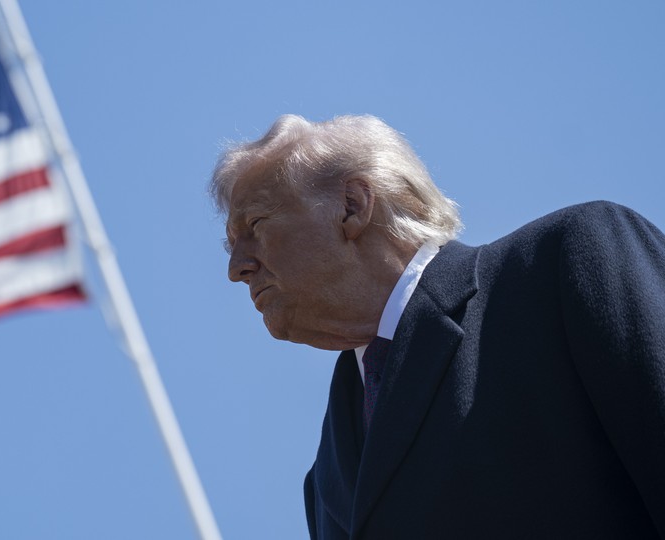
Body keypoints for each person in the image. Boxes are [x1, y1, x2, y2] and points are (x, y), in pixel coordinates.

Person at [210, 114, 665, 539]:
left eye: (255, 224)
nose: (236, 268)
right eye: (232, 245)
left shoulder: (565, 263)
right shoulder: (326, 476)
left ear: (352, 206)